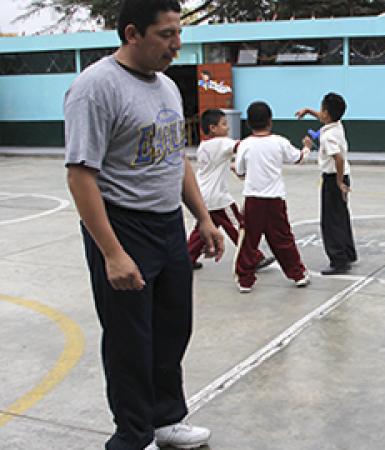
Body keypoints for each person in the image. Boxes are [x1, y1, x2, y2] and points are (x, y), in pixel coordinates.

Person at [64, 1, 220, 449]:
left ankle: (166, 419)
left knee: (173, 327)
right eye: (166, 34)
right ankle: (133, 436)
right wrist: (112, 253)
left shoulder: (167, 87)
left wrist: (203, 217)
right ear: (133, 34)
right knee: (130, 339)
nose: (177, 45)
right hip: (123, 225)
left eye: (178, 33)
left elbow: (177, 158)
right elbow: (80, 176)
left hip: (167, 224)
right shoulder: (95, 88)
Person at [234, 101, 312, 293]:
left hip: (253, 199)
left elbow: (240, 172)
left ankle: (245, 280)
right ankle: (298, 274)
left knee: (249, 240)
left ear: (249, 123)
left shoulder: (244, 145)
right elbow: (299, 158)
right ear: (270, 121)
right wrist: (307, 148)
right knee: (283, 238)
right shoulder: (280, 142)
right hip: (275, 200)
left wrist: (241, 172)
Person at [186, 108, 274, 271]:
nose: (227, 128)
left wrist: (231, 166)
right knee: (239, 226)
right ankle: (253, 258)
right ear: (213, 128)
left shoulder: (204, 146)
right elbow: (243, 146)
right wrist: (263, 140)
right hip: (218, 197)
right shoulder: (222, 143)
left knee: (202, 229)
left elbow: (217, 163)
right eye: (224, 124)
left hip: (203, 194)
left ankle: (187, 258)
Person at [295, 92, 357, 275]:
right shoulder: (336, 125)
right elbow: (324, 118)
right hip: (343, 175)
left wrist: (338, 182)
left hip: (333, 178)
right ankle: (348, 253)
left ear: (327, 113)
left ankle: (338, 260)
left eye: (321, 110)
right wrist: (308, 111)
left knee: (330, 222)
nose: (319, 113)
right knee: (341, 216)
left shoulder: (328, 136)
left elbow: (338, 158)